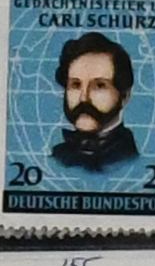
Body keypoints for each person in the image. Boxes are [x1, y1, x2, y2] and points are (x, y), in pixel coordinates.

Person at [51, 32, 140, 172]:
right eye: (75, 85)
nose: (83, 98)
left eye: (99, 86)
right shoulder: (57, 158)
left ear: (124, 96)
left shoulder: (130, 160)